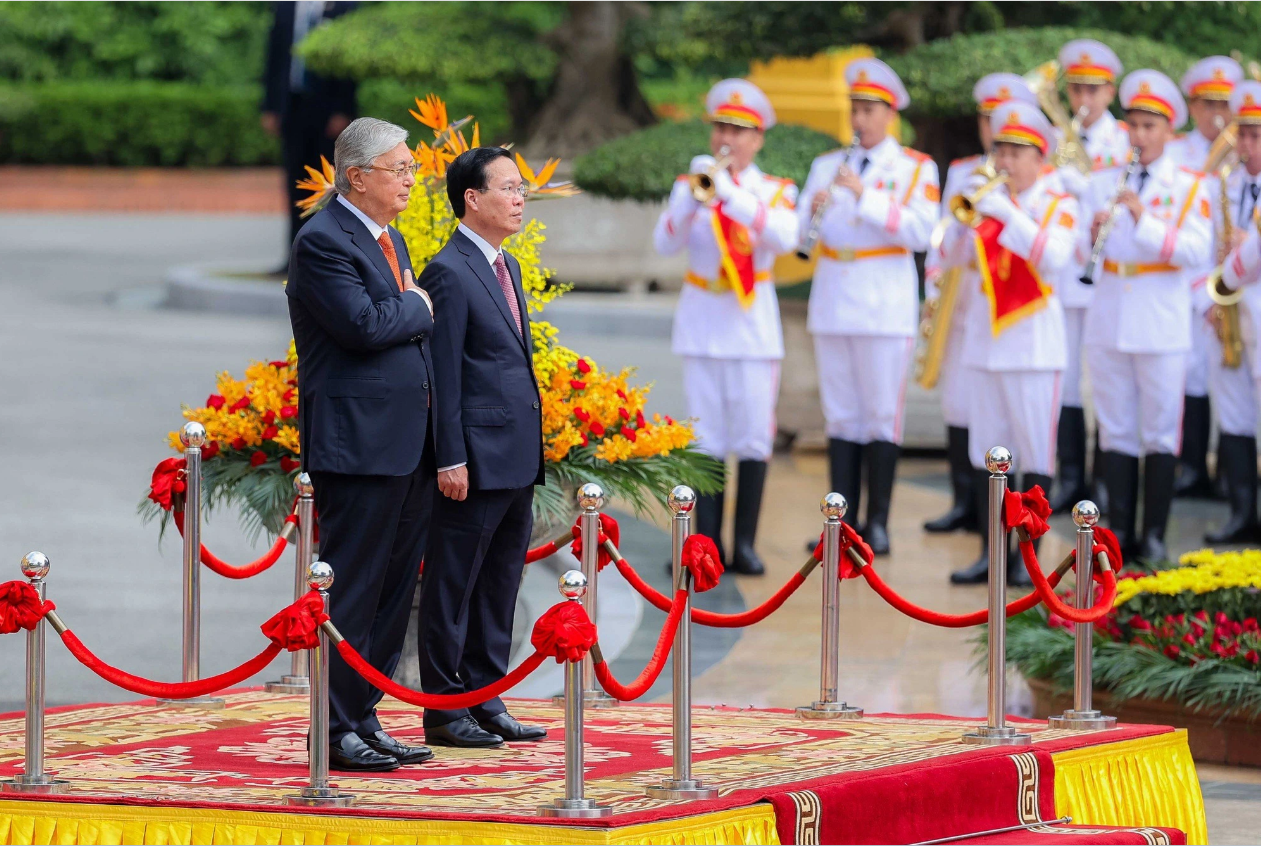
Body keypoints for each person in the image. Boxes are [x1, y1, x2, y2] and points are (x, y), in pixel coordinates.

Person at [286, 117, 436, 772]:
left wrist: (408, 310)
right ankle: (333, 727)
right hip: (358, 444)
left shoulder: (388, 237)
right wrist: (418, 307)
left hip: (406, 441)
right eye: (399, 169)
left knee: (391, 592)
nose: (411, 179)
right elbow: (364, 326)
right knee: (352, 590)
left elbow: (394, 323)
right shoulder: (323, 240)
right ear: (356, 176)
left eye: (411, 168)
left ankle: (364, 716)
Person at [418, 148, 548, 749]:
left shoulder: (506, 265)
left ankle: (486, 697)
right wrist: (450, 456)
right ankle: (446, 709)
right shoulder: (448, 271)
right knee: (453, 586)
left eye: (522, 189)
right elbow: (442, 373)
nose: (520, 199)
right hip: (472, 459)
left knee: (500, 585)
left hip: (515, 454)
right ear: (472, 198)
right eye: (510, 188)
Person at [653, 79, 799, 576]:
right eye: (720, 128)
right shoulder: (689, 185)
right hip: (701, 322)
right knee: (705, 438)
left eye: (738, 131)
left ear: (758, 139)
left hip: (752, 326)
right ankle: (707, 545)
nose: (726, 139)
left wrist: (729, 194)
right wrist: (692, 200)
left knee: (754, 436)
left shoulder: (774, 190)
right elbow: (664, 244)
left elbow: (784, 237)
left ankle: (747, 545)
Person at [800, 57, 940, 556]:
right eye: (855, 110)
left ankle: (877, 523)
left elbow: (922, 230)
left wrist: (865, 197)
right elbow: (799, 234)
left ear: (890, 114)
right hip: (834, 297)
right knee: (840, 415)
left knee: (880, 415)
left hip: (884, 303)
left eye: (868, 110)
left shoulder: (915, 167)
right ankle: (840, 523)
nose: (859, 120)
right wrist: (812, 209)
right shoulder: (825, 165)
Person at [938, 101, 1078, 585]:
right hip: (984, 342)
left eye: (1017, 153)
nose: (1006, 161)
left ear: (1040, 158)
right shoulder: (986, 200)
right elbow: (947, 255)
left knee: (1034, 453)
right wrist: (965, 224)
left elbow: (1054, 257)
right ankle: (991, 554)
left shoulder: (1059, 204)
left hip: (1034, 346)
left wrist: (1008, 215)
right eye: (1001, 151)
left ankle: (1029, 562)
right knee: (988, 453)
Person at [1083, 70, 1212, 562]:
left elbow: (1196, 250)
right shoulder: (1101, 179)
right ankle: (1118, 533)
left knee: (1159, 430)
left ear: (1168, 130)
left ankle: (1154, 535)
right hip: (1110, 314)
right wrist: (1090, 235)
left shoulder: (1189, 184)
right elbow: (1074, 253)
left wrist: (1144, 219)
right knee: (1115, 428)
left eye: (1149, 126)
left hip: (1160, 320)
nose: (1138, 135)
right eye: (1133, 125)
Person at [923, 73, 1038, 536]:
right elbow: (945, 229)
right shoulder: (965, 170)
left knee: (1006, 416)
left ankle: (1000, 518)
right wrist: (934, 284)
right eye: (988, 119)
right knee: (959, 400)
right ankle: (964, 502)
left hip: (1011, 295)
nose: (993, 128)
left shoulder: (1038, 180)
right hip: (966, 289)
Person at [1048, 38, 1132, 515]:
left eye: (1092, 89)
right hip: (1065, 271)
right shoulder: (1056, 136)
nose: (1083, 98)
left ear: (1109, 92)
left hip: (1106, 275)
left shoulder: (1124, 139)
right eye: (1076, 88)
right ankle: (1070, 477)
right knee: (1065, 378)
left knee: (1103, 382)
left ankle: (1103, 482)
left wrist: (1085, 187)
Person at [1168, 56, 1245, 500]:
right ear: (1192, 106)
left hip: (1235, 275)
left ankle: (1232, 476)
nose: (1217, 113)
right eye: (1207, 103)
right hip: (1188, 278)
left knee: (1233, 373)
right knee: (1192, 372)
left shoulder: (1245, 148)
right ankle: (1192, 466)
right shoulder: (1177, 151)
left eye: (1223, 104)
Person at [1200, 79, 1261, 543]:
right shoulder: (1225, 184)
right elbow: (1205, 250)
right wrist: (1208, 301)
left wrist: (1246, 247)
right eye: (1243, 135)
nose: (1246, 145)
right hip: (1231, 316)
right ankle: (1242, 515)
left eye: (1256, 136)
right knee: (1234, 417)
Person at [262, 1, 359, 263]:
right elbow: (274, 55)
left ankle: (330, 257)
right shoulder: (285, 6)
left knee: (331, 184)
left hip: (328, 111)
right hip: (292, 106)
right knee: (295, 182)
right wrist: (270, 107)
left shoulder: (345, 6)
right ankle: (295, 256)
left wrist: (343, 110)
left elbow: (350, 62)